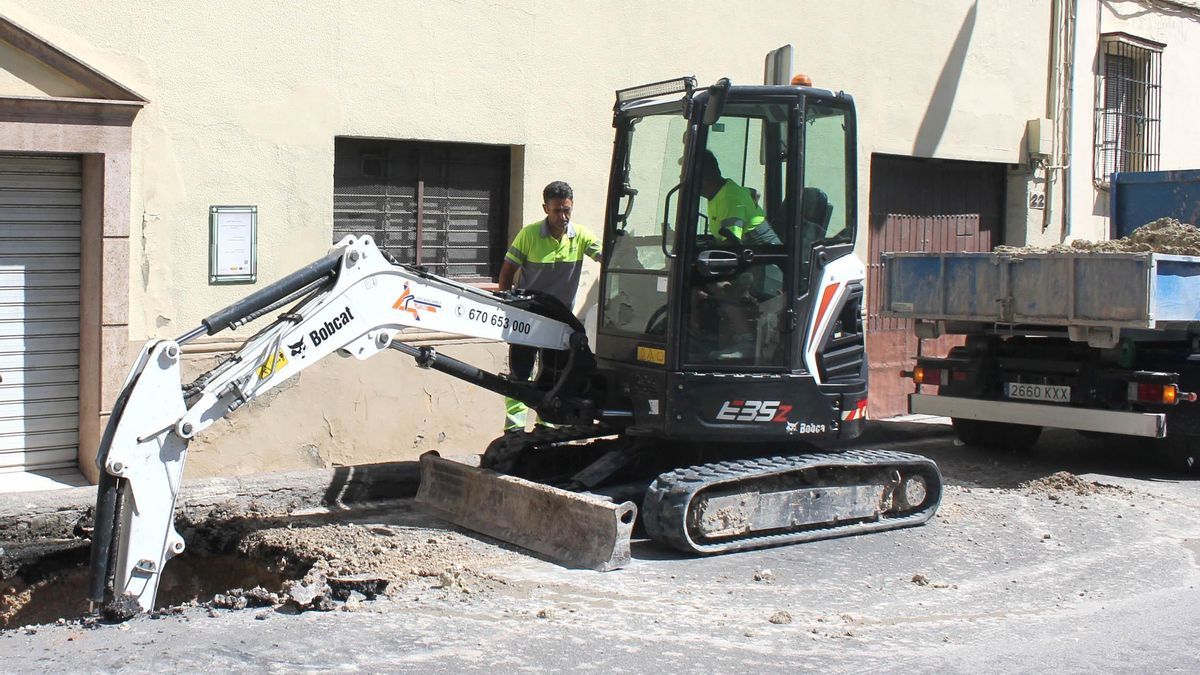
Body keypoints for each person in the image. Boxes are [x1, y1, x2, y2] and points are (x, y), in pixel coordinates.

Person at [497, 180, 602, 432]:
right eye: (556, 210)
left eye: (567, 210)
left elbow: (607, 258)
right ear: (545, 208)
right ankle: (514, 427)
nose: (562, 216)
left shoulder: (582, 237)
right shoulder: (529, 234)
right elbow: (507, 272)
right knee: (521, 373)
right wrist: (506, 306)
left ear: (572, 206)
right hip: (527, 317)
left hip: (561, 320)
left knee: (554, 374)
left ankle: (546, 424)